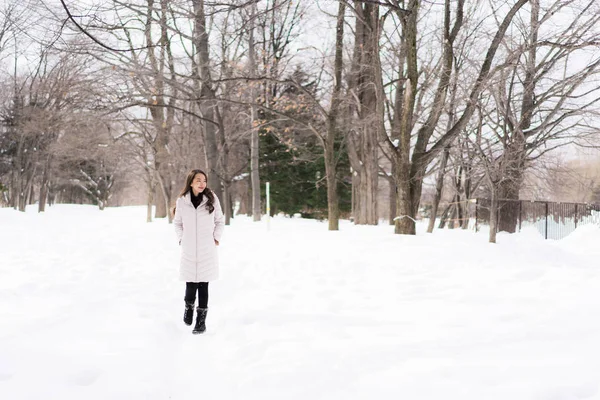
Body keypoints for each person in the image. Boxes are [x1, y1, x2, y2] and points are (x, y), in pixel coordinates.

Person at [173, 169, 224, 334]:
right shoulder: (182, 201)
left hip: (206, 248)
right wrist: (182, 239)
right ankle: (188, 307)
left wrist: (216, 237)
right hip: (188, 248)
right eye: (198, 180)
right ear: (191, 182)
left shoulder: (211, 199)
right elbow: (177, 223)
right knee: (190, 283)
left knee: (203, 285)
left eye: (204, 181)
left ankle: (201, 322)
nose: (202, 184)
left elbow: (220, 220)